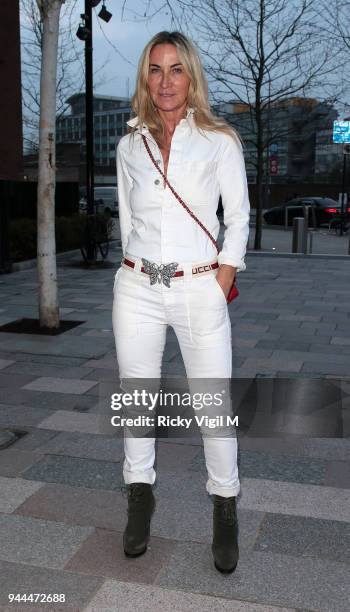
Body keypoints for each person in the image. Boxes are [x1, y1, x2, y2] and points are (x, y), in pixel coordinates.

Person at [112, 31, 250, 573]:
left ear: (191, 76)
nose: (165, 81)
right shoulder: (130, 145)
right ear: (145, 79)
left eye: (175, 69)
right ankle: (140, 497)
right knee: (136, 399)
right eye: (155, 70)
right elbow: (128, 221)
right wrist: (133, 275)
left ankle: (225, 505)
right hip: (137, 288)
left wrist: (219, 281)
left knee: (213, 405)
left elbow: (238, 218)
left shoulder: (220, 140)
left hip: (199, 288)